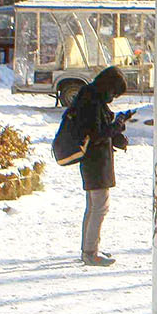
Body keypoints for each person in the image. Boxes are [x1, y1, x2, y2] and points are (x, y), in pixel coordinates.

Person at [52, 66, 130, 264]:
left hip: (94, 161)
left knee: (93, 206)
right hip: (96, 163)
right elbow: (96, 134)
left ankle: (89, 248)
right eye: (114, 93)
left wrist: (116, 132)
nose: (112, 98)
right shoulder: (92, 102)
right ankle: (90, 253)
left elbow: (99, 131)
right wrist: (117, 127)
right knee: (99, 208)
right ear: (108, 86)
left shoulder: (89, 97)